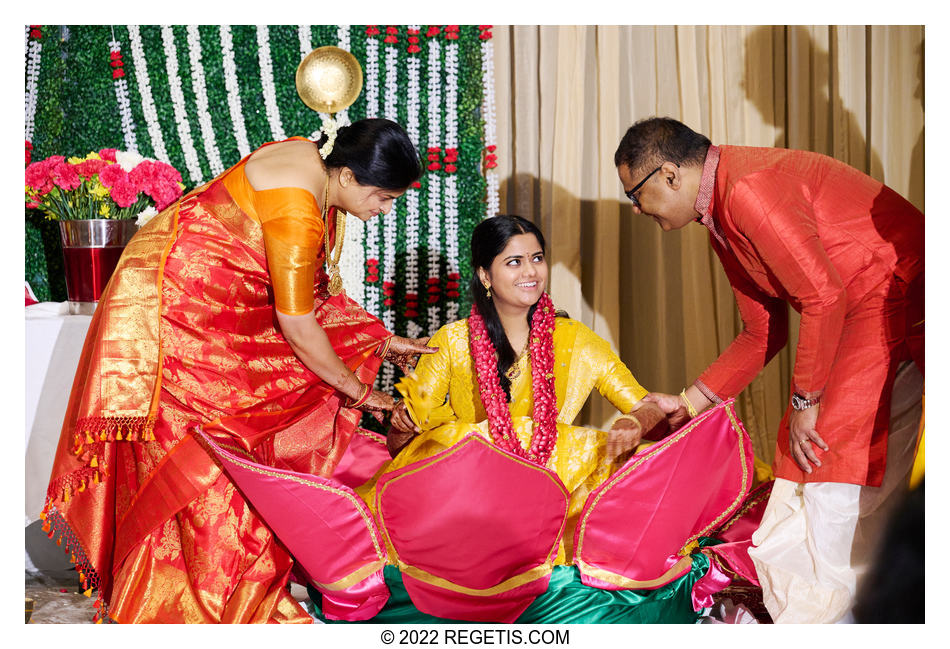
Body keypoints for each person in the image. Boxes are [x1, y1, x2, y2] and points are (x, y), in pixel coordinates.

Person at [41, 118, 435, 623]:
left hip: (203, 301)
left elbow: (306, 291)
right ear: (349, 177)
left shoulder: (312, 154)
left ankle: (194, 598)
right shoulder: (298, 209)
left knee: (229, 454)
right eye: (383, 198)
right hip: (181, 322)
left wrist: (376, 338)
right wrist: (361, 393)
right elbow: (297, 324)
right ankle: (189, 608)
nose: (382, 211)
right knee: (213, 460)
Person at [302, 214, 758, 624]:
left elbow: (644, 402)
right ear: (485, 275)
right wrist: (402, 425)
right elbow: (404, 446)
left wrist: (634, 423)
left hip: (555, 483)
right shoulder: (452, 342)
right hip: (465, 492)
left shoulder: (577, 339)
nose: (530, 272)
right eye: (514, 262)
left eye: (536, 258)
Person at [613, 116, 924, 623]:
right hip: (860, 303)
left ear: (669, 174)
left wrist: (807, 401)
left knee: (824, 457)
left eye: (635, 194)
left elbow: (822, 296)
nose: (635, 207)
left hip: (891, 291)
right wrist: (687, 402)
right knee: (813, 460)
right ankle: (847, 608)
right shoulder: (718, 215)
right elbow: (764, 332)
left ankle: (839, 613)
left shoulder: (748, 190)